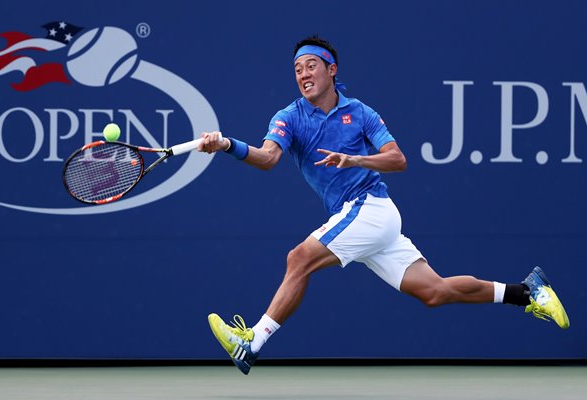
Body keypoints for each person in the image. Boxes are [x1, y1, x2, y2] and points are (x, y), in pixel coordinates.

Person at [197, 36, 570, 375]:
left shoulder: (360, 112)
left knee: (299, 258)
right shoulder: (289, 117)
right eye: (297, 69)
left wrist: (355, 160)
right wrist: (228, 145)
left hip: (370, 208)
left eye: (311, 65)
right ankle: (527, 292)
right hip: (363, 220)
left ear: (331, 69)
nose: (303, 74)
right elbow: (267, 158)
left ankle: (252, 344)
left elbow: (398, 159)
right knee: (434, 291)